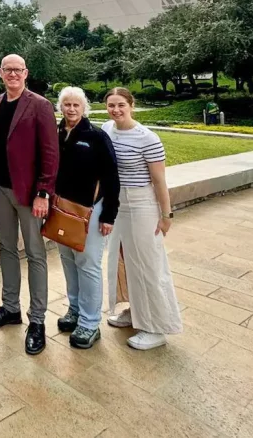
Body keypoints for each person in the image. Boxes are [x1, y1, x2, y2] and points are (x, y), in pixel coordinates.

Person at [0, 54, 59, 356]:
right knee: (6, 248)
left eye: (18, 70)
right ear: (1, 73)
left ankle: (36, 320)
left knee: (36, 254)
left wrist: (44, 192)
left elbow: (50, 152)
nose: (12, 74)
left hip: (28, 193)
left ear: (25, 73)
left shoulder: (39, 105)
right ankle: (10, 308)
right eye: (7, 70)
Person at [102, 87, 182, 350]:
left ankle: (156, 326)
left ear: (131, 105)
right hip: (117, 204)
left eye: (121, 105)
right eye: (111, 105)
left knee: (148, 265)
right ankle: (136, 312)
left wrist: (166, 214)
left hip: (142, 205)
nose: (116, 110)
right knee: (123, 260)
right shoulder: (107, 130)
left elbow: (159, 180)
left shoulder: (147, 138)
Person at [53, 87, 120, 349]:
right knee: (68, 261)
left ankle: (91, 323)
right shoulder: (56, 134)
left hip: (91, 212)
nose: (71, 109)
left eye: (76, 105)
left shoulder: (96, 137)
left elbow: (112, 178)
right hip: (61, 210)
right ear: (61, 107)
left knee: (88, 264)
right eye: (66, 104)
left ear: (84, 108)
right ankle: (75, 309)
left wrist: (109, 216)